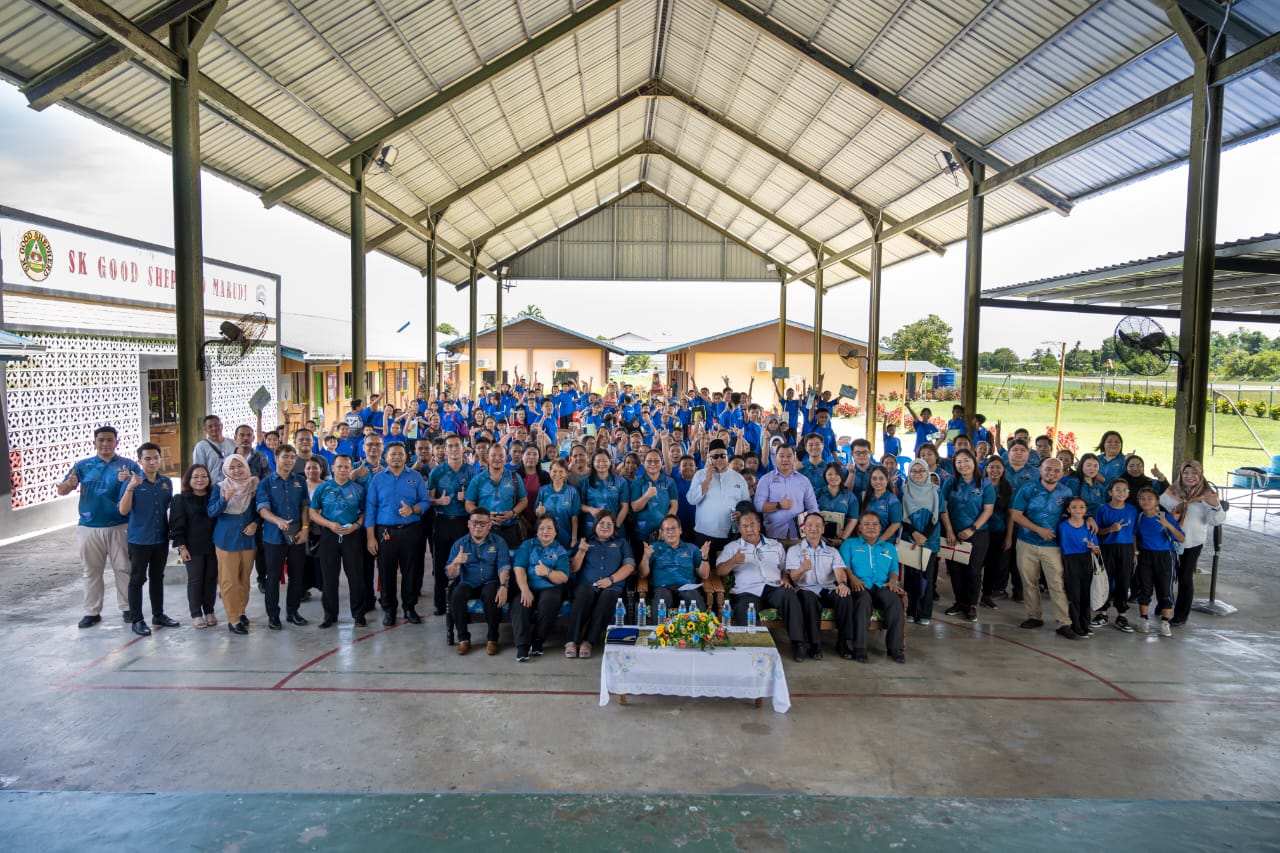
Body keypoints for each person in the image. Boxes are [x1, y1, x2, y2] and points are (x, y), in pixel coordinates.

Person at [60, 425, 142, 628]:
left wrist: (130, 480)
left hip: (120, 525)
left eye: (109, 440)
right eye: (101, 440)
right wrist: (69, 484)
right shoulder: (82, 466)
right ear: (94, 443)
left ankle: (128, 608)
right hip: (89, 527)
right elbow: (62, 490)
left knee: (124, 568)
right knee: (91, 571)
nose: (105, 444)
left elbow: (141, 487)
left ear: (117, 442)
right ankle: (92, 612)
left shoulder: (128, 465)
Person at [1008, 457, 1078, 641]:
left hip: (1052, 546)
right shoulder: (1028, 488)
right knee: (1029, 581)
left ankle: (1064, 622)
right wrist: (1038, 530)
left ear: (1062, 473)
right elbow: (1015, 514)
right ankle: (1034, 616)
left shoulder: (1066, 491)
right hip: (1027, 542)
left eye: (1056, 470)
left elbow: (1074, 512)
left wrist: (1090, 518)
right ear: (1040, 470)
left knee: (1057, 583)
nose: (1051, 473)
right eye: (1048, 469)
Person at [366, 442, 431, 626]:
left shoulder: (415, 477)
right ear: (386, 457)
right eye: (392, 454)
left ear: (405, 457)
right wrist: (370, 537)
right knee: (386, 571)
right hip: (385, 532)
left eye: (400, 454)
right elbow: (371, 508)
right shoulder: (378, 479)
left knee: (411, 571)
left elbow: (425, 502)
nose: (396, 457)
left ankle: (409, 607)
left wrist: (413, 509)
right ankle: (389, 609)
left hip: (411, 530)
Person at [116, 442, 177, 636]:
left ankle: (158, 615)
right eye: (147, 459)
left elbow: (169, 508)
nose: (152, 462)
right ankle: (137, 619)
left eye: (155, 458)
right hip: (139, 540)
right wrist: (130, 488)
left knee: (157, 578)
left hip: (160, 539)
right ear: (140, 461)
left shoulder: (166, 482)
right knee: (137, 579)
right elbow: (123, 510)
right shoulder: (132, 482)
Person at [716, 509, 802, 646]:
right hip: (747, 591)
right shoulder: (733, 547)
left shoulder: (775, 545)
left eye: (752, 525)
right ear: (740, 529)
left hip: (774, 588)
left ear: (759, 526)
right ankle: (754, 646)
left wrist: (785, 578)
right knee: (743, 608)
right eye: (745, 526)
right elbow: (720, 571)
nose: (749, 529)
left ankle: (799, 644)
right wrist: (733, 561)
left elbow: (784, 568)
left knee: (789, 595)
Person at [1159, 460, 1225, 627]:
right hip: (1169, 542)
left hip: (1192, 543)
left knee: (1185, 577)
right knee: (1165, 575)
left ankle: (1181, 615)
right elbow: (1158, 511)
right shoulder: (1171, 492)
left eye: (1194, 473)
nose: (1190, 476)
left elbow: (1215, 521)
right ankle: (1163, 604)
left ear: (1201, 475)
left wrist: (1216, 506)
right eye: (1186, 473)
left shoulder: (1207, 495)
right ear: (1180, 474)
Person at [255, 444, 311, 630]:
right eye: (285, 456)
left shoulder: (300, 481)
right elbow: (262, 509)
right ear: (276, 458)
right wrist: (277, 520)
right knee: (273, 578)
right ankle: (273, 616)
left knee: (297, 575)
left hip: (297, 536)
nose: (289, 460)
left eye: (292, 457)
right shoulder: (265, 483)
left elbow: (305, 506)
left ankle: (293, 612)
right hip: (274, 538)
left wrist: (305, 528)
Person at [839, 511, 907, 663]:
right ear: (860, 528)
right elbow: (844, 566)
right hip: (860, 585)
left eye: (875, 524)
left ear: (880, 527)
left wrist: (893, 581)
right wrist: (853, 579)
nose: (871, 527)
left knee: (895, 601)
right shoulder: (849, 544)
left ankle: (895, 649)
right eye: (867, 524)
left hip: (882, 585)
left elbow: (894, 570)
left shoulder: (889, 547)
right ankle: (860, 648)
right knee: (863, 601)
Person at [566, 511, 634, 660]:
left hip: (612, 586)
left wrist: (611, 579)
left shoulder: (622, 543)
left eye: (609, 524)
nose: (605, 526)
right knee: (583, 595)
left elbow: (629, 567)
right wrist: (581, 552)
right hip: (587, 585)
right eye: (601, 523)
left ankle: (588, 642)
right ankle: (572, 641)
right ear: (595, 525)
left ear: (614, 528)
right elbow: (573, 569)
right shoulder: (585, 541)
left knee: (608, 598)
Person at [785, 513, 852, 662]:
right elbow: (793, 578)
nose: (813, 528)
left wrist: (842, 584)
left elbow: (839, 571)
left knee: (845, 595)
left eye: (817, 525)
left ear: (823, 529)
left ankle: (842, 643)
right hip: (805, 590)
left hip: (827, 589)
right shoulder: (794, 550)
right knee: (808, 598)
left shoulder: (832, 551)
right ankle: (815, 645)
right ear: (803, 529)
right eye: (809, 525)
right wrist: (802, 568)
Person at [445, 508, 512, 655]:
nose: (478, 526)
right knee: (456, 594)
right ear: (469, 524)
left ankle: (492, 639)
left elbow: (504, 566)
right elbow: (450, 574)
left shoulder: (499, 542)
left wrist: (503, 586)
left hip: (490, 581)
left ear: (489, 525)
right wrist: (456, 562)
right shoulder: (460, 544)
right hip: (468, 582)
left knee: (491, 595)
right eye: (475, 522)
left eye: (483, 523)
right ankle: (463, 639)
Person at [310, 454, 367, 627]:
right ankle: (330, 615)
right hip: (329, 535)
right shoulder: (323, 488)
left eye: (346, 466)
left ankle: (358, 614)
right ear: (333, 468)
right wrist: (329, 524)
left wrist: (356, 525)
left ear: (351, 469)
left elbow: (364, 512)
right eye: (339, 466)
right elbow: (313, 512)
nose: (342, 470)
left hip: (352, 536)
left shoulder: (358, 489)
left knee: (356, 576)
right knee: (329, 577)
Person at [940, 449, 994, 623]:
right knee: (955, 569)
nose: (963, 465)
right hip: (953, 533)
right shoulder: (950, 482)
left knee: (973, 570)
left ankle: (971, 604)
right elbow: (943, 507)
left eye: (966, 460)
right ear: (955, 465)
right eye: (959, 462)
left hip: (977, 533)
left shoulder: (985, 484)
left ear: (974, 461)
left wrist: (972, 528)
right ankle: (960, 601)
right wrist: (949, 530)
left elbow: (988, 510)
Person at [208, 455, 260, 635]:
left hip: (248, 539)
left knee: (244, 579)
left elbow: (260, 510)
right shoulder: (221, 487)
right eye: (232, 467)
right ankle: (233, 619)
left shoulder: (253, 486)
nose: (237, 470)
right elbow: (211, 511)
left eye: (240, 466)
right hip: (226, 540)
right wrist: (224, 499)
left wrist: (255, 523)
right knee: (229, 580)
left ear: (246, 467)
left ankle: (241, 611)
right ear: (226, 470)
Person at [512, 516, 571, 662]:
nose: (546, 531)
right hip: (528, 585)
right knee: (520, 602)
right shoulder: (528, 545)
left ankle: (537, 641)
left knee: (550, 601)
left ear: (555, 532)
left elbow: (564, 577)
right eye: (542, 528)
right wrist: (524, 589)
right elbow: (519, 568)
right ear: (537, 531)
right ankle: (522, 646)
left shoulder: (560, 550)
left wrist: (547, 572)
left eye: (550, 528)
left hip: (550, 587)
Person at [429, 434, 474, 615]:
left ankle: (461, 602)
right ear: (445, 450)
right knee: (440, 564)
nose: (454, 449)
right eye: (450, 446)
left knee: (465, 563)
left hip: (464, 522)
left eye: (457, 446)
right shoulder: (437, 472)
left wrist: (467, 498)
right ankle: (440, 604)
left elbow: (478, 499)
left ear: (463, 448)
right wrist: (439, 501)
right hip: (443, 521)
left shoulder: (471, 472)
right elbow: (429, 499)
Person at [686, 439, 751, 566]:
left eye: (722, 455)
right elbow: (691, 500)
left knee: (727, 571)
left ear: (728, 457)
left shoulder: (738, 478)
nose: (719, 459)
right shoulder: (700, 475)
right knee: (704, 570)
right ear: (709, 458)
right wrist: (707, 480)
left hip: (730, 535)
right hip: (704, 534)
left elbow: (746, 504)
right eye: (715, 456)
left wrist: (741, 513)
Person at [170, 464, 217, 628]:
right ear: (188, 479)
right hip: (192, 546)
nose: (200, 480)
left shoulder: (213, 497)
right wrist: (181, 547)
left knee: (211, 579)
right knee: (196, 580)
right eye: (195, 477)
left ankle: (209, 610)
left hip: (213, 545)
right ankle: (196, 613)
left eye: (204, 476)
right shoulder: (180, 499)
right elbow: (176, 525)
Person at [1134, 486, 1185, 637]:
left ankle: (1165, 622)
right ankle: (1144, 620)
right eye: (1142, 499)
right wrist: (1135, 552)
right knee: (1144, 587)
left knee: (1165, 589)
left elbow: (1181, 538)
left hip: (1164, 556)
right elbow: (1134, 535)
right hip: (1145, 555)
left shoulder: (1165, 516)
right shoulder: (1139, 517)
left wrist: (1167, 524)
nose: (1146, 501)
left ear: (1157, 501)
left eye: (1150, 498)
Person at [1093, 478, 1138, 632]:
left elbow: (1134, 533)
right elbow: (1097, 532)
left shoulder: (1132, 510)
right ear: (1110, 492)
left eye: (1125, 490)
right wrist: (1110, 529)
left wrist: (1135, 552)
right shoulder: (1102, 510)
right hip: (1107, 548)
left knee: (1124, 581)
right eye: (1118, 489)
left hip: (1126, 549)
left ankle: (1121, 615)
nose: (1121, 492)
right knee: (1105, 580)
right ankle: (1102, 613)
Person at [900, 460, 941, 626]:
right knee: (910, 577)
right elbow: (902, 516)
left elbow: (937, 516)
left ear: (927, 473)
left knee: (927, 577)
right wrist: (914, 533)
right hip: (910, 538)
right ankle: (910, 610)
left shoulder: (935, 491)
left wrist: (924, 536)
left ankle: (924, 612)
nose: (917, 474)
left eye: (921, 471)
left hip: (929, 539)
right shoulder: (904, 490)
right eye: (914, 471)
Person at [465, 444, 528, 550]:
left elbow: (524, 500)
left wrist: (512, 513)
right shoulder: (478, 479)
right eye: (493, 455)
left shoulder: (515, 478)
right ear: (487, 457)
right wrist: (484, 516)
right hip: (485, 530)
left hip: (510, 529)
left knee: (511, 559)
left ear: (506, 458)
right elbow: (468, 504)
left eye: (501, 455)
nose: (497, 458)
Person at [640, 517, 708, 613]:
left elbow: (704, 575)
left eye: (673, 528)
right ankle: (659, 624)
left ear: (680, 530)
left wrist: (704, 558)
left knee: (693, 597)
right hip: (663, 587)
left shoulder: (692, 548)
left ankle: (699, 623)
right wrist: (646, 557)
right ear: (662, 532)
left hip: (687, 587)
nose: (670, 532)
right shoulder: (653, 548)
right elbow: (643, 574)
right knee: (662, 598)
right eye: (667, 529)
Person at [753, 445, 818, 541]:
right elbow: (758, 506)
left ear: (794, 458)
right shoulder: (766, 479)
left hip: (799, 535)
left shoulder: (804, 480)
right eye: (781, 456)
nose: (785, 459)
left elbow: (813, 507)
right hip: (773, 535)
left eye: (789, 456)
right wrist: (778, 505)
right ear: (775, 458)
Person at [1059, 496, 1101, 639]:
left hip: (1086, 559)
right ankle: (1075, 625)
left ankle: (1085, 624)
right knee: (1074, 595)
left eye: (1082, 507)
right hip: (1071, 561)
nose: (1078, 510)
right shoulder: (1063, 526)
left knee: (1085, 594)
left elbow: (1098, 550)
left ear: (1086, 510)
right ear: (1068, 509)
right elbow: (1061, 547)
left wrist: (1093, 547)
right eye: (1074, 507)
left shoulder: (1089, 526)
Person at [979, 456, 1016, 608]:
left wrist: (1009, 536)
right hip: (979, 531)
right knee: (975, 565)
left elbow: (1010, 514)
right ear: (986, 469)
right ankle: (969, 596)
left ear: (1003, 470)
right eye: (991, 467)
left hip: (998, 532)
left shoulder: (1007, 488)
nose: (995, 470)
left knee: (992, 565)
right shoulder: (979, 484)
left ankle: (987, 595)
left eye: (998, 467)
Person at [627, 448, 678, 552]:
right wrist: (647, 496)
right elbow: (635, 507)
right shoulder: (638, 481)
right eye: (649, 461)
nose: (653, 464)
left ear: (662, 463)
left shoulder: (669, 481)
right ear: (644, 463)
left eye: (656, 461)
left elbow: (674, 505)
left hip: (663, 533)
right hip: (641, 534)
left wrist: (665, 527)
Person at [578, 449, 629, 539]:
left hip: (615, 526)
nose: (601, 464)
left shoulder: (620, 482)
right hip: (591, 526)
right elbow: (579, 505)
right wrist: (590, 509)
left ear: (610, 461)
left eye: (605, 461)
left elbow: (625, 507)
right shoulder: (585, 482)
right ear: (593, 463)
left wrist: (615, 527)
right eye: (598, 461)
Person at [535, 458, 581, 548]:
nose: (557, 474)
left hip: (565, 536)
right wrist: (539, 513)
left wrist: (574, 538)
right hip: (545, 535)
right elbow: (537, 513)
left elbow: (574, 517)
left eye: (561, 471)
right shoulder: (543, 490)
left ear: (566, 473)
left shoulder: (573, 492)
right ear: (550, 472)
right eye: (554, 471)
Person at [816, 462, 859, 546]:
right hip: (818, 539)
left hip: (842, 541)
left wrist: (841, 539)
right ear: (825, 476)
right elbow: (811, 514)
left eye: (837, 474)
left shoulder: (850, 496)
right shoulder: (818, 493)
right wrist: (818, 536)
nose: (833, 477)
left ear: (841, 476)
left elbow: (853, 520)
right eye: (830, 474)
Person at [861, 466, 902, 544]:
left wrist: (878, 542)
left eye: (881, 478)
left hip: (884, 543)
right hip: (865, 541)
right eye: (874, 478)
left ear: (887, 480)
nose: (877, 482)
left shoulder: (893, 501)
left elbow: (895, 524)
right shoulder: (864, 496)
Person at [193, 415, 237, 482]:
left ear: (221, 426)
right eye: (210, 426)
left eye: (216, 425)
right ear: (205, 429)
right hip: (212, 485)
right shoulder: (201, 447)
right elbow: (199, 469)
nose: (214, 428)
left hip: (232, 484)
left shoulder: (233, 443)